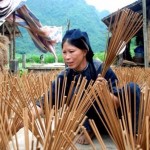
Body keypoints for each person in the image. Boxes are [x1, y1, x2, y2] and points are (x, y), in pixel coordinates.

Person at [34, 29, 140, 145]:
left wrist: (104, 92)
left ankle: (134, 135)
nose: (67, 57)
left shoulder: (101, 69)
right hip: (88, 119)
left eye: (71, 51)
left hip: (112, 120)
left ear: (84, 51)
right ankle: (89, 127)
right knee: (77, 90)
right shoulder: (65, 76)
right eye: (64, 52)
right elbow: (45, 102)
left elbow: (118, 104)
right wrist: (21, 121)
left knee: (132, 88)